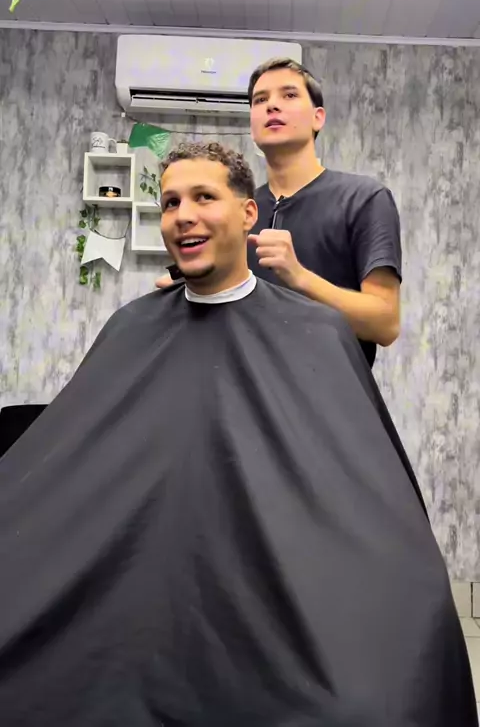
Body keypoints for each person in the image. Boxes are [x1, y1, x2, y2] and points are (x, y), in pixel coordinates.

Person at [0, 142, 476, 727]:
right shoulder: (130, 327)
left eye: (204, 197)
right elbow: (67, 470)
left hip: (269, 589)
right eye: (171, 202)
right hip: (142, 596)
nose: (184, 216)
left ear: (249, 213)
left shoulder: (316, 331)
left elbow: (364, 490)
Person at [156, 59, 401, 368]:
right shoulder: (233, 210)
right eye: (260, 100)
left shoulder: (364, 199)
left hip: (327, 392)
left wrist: (299, 277)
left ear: (318, 118)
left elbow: (385, 324)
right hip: (242, 387)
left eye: (289, 95)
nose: (272, 105)